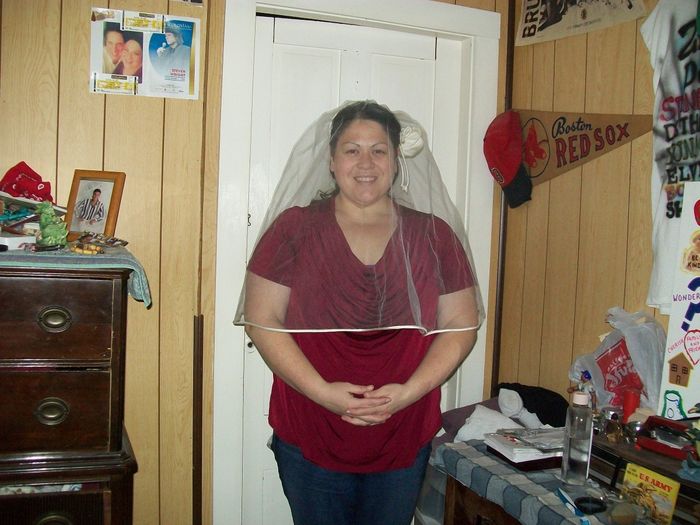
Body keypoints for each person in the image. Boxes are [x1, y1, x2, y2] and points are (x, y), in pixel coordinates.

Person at [235, 101, 483, 525]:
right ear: (331, 161)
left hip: (404, 429)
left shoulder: (434, 234)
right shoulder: (293, 230)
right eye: (352, 150)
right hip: (311, 427)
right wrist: (322, 392)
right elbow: (262, 322)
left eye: (379, 150)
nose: (366, 163)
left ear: (396, 160)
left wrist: (408, 393)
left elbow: (461, 324)